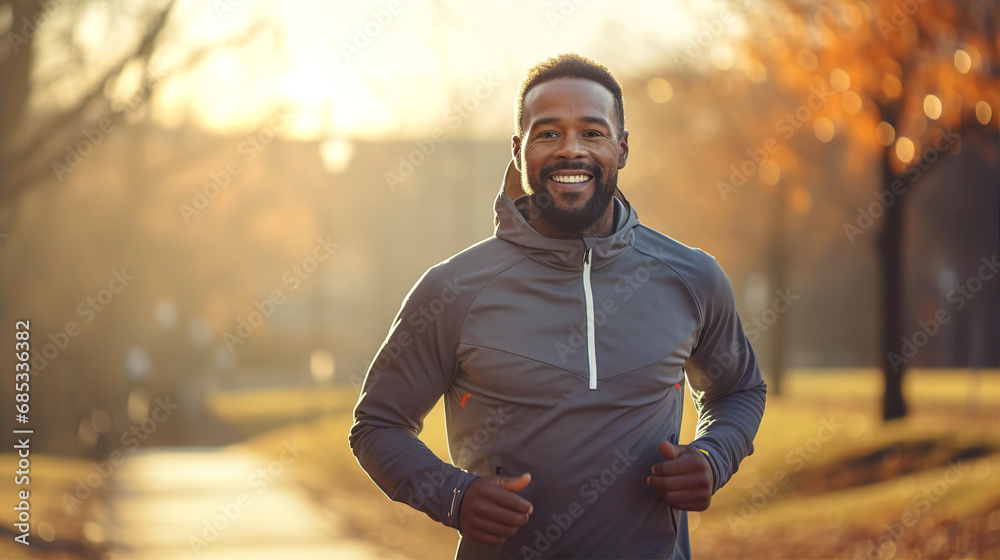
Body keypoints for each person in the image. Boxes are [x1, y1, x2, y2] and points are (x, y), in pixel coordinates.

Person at [349, 52, 767, 559]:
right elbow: (377, 424)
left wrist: (713, 456)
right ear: (518, 149)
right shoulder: (452, 289)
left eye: (592, 132)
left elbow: (739, 389)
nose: (571, 150)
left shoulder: (691, 276)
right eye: (548, 133)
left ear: (622, 147)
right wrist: (454, 496)